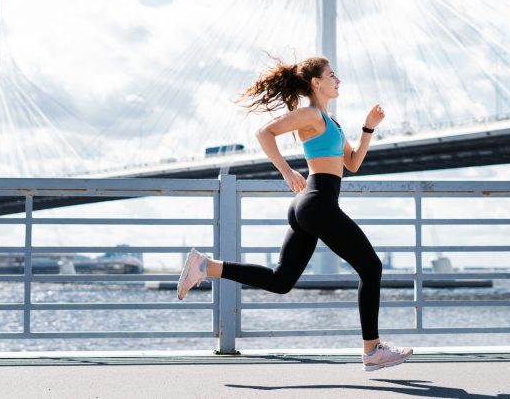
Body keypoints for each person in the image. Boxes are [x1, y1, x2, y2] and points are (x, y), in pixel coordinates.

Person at [177, 56, 413, 371]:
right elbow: (264, 133)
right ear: (316, 82)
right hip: (316, 202)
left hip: (313, 203)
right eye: (332, 75)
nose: (338, 80)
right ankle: (372, 350)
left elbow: (353, 163)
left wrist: (368, 127)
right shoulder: (310, 114)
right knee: (371, 267)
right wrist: (287, 171)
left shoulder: (332, 122)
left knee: (281, 281)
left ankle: (206, 265)